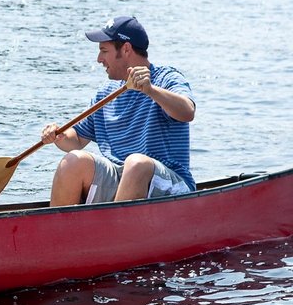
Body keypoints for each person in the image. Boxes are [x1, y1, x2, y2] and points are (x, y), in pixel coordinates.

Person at [41, 16, 196, 206]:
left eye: (104, 51)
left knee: (136, 163)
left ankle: (113, 231)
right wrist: (59, 135)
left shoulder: (166, 78)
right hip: (122, 178)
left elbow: (187, 112)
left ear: (126, 49)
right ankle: (59, 233)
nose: (99, 59)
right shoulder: (105, 94)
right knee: (73, 161)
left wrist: (150, 90)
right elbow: (77, 140)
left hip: (173, 186)